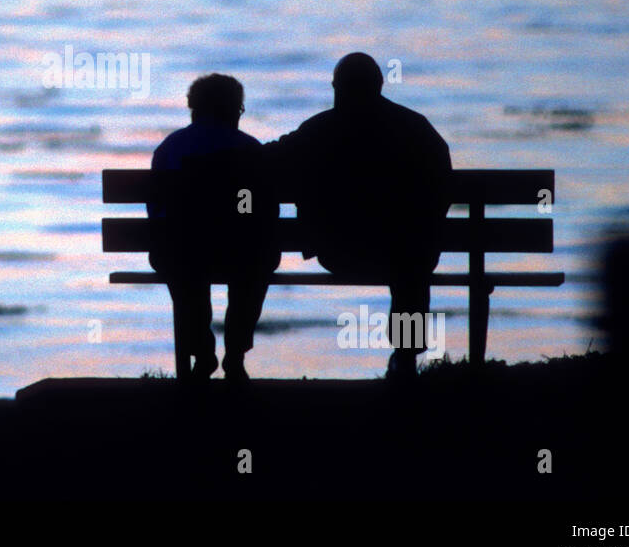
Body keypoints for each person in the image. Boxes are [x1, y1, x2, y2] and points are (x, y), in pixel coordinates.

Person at [265, 53, 451, 379]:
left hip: (338, 252)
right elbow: (443, 189)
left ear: (337, 89)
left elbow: (271, 162)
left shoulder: (319, 130)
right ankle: (406, 355)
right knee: (413, 257)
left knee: (411, 252)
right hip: (404, 253)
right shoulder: (416, 128)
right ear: (380, 86)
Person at [148, 74, 278, 381]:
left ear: (194, 108)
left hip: (183, 254)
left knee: (181, 261)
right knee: (257, 259)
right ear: (234, 110)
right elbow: (261, 212)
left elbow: (157, 211)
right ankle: (235, 354)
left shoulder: (169, 149)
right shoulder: (251, 150)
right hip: (239, 254)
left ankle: (202, 353)